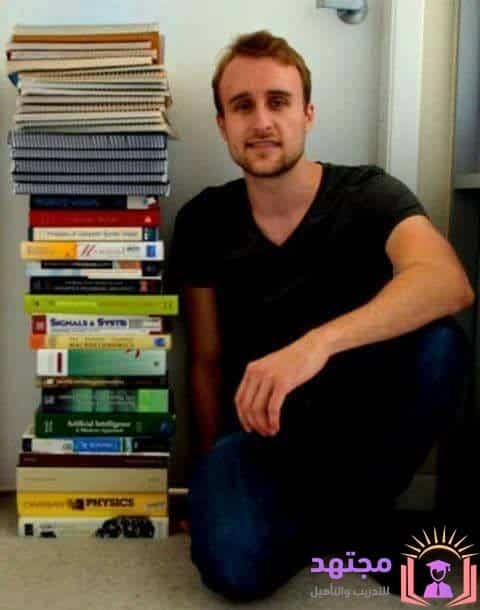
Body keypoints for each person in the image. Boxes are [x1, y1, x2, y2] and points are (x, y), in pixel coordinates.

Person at [167, 30, 475, 601]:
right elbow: (206, 360)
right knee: (232, 571)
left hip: (360, 430)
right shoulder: (204, 219)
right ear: (223, 125)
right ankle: (341, 525)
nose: (262, 121)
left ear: (307, 114)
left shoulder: (368, 193)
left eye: (278, 101)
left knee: (442, 344)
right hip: (260, 437)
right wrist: (207, 477)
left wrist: (315, 345)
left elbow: (447, 281)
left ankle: (354, 511)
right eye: (242, 106)